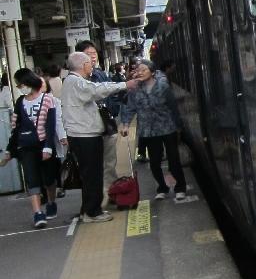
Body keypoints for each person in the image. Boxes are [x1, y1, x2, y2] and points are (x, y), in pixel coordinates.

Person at [63, 51, 136, 222]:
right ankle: (92, 212)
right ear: (83, 65)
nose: (92, 65)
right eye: (90, 62)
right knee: (93, 175)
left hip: (82, 134)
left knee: (91, 174)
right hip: (85, 136)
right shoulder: (76, 82)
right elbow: (97, 90)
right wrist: (124, 85)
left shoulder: (71, 81)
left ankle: (87, 210)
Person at [119, 59, 187, 201]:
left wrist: (179, 127)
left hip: (167, 128)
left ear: (152, 72)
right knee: (154, 162)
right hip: (149, 131)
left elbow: (173, 108)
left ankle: (180, 188)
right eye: (138, 70)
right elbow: (129, 108)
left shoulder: (163, 86)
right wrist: (125, 125)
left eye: (144, 70)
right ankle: (162, 188)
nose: (140, 72)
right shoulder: (135, 89)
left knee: (174, 160)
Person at [0, 71, 58, 227]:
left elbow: (50, 125)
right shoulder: (20, 102)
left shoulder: (47, 99)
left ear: (29, 82)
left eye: (21, 84)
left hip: (44, 144)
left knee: (49, 179)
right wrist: (10, 149)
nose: (20, 87)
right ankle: (38, 213)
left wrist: (48, 147)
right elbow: (16, 128)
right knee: (32, 179)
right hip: (25, 146)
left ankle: (51, 202)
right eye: (18, 85)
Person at [75, 40, 121, 205]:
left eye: (94, 53)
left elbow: (112, 93)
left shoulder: (100, 74)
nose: (93, 57)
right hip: (88, 129)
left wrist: (113, 110)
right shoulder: (76, 79)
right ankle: (97, 200)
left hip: (107, 125)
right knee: (94, 165)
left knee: (110, 162)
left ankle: (111, 193)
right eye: (89, 54)